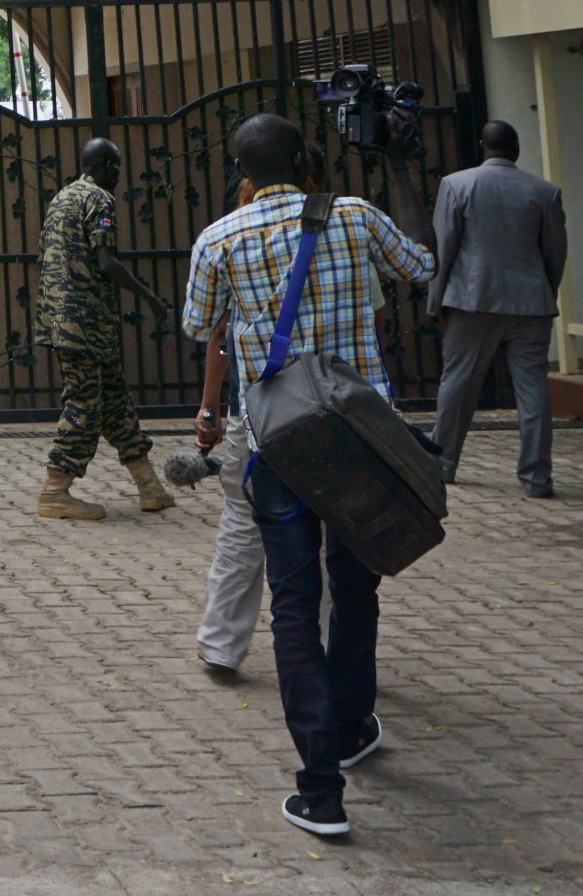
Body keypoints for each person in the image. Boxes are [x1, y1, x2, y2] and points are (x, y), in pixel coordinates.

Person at [182, 112, 434, 839]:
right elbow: (421, 265)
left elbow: (203, 326)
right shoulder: (354, 217)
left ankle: (320, 790)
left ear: (244, 172)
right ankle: (355, 726)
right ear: (305, 159)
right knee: (354, 591)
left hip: (281, 450)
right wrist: (397, 167)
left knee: (294, 605)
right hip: (361, 445)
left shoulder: (219, 238)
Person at [193, 145, 328, 678]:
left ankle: (220, 644)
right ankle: (322, 645)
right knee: (326, 522)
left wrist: (209, 408)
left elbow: (216, 336)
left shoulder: (229, 237)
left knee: (242, 523)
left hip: (259, 406)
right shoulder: (338, 228)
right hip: (327, 404)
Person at [35, 137, 177, 520]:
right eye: (116, 165)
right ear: (108, 166)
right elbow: (106, 262)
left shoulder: (62, 198)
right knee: (84, 403)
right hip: (85, 321)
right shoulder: (99, 199)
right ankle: (56, 490)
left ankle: (149, 486)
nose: (118, 173)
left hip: (64, 318)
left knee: (115, 402)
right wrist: (151, 298)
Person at [427, 121, 566, 497]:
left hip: (471, 301)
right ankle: (537, 480)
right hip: (531, 305)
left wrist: (435, 303)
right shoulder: (545, 191)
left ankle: (442, 467)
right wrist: (543, 293)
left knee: (457, 384)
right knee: (533, 389)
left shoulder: (456, 185)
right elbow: (555, 252)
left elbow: (445, 248)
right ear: (515, 148)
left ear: (482, 146)